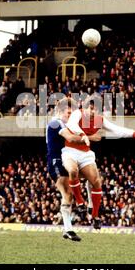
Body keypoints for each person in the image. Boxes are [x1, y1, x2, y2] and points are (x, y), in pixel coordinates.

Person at [62, 96, 135, 229]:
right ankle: (80, 203)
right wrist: (83, 135)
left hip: (85, 154)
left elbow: (116, 129)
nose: (93, 112)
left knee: (96, 182)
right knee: (73, 171)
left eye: (96, 109)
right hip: (70, 151)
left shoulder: (99, 120)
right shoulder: (77, 114)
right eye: (91, 108)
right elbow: (71, 125)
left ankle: (95, 216)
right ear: (84, 108)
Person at [46, 97, 100, 241]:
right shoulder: (55, 123)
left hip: (69, 159)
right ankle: (68, 229)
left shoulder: (71, 124)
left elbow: (95, 135)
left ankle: (89, 204)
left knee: (93, 176)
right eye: (68, 113)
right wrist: (87, 137)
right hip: (57, 162)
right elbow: (70, 138)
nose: (70, 116)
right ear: (59, 111)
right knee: (67, 193)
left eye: (72, 113)